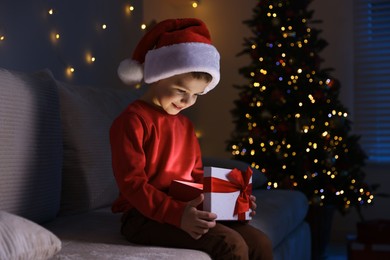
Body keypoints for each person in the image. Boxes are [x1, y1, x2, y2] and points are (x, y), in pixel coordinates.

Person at [110, 18, 273, 260]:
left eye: (197, 94)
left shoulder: (185, 125)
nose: (187, 102)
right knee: (230, 244)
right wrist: (177, 215)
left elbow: (196, 175)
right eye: (181, 90)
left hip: (187, 208)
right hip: (142, 216)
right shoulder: (132, 121)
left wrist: (232, 201)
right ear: (157, 75)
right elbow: (132, 185)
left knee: (260, 242)